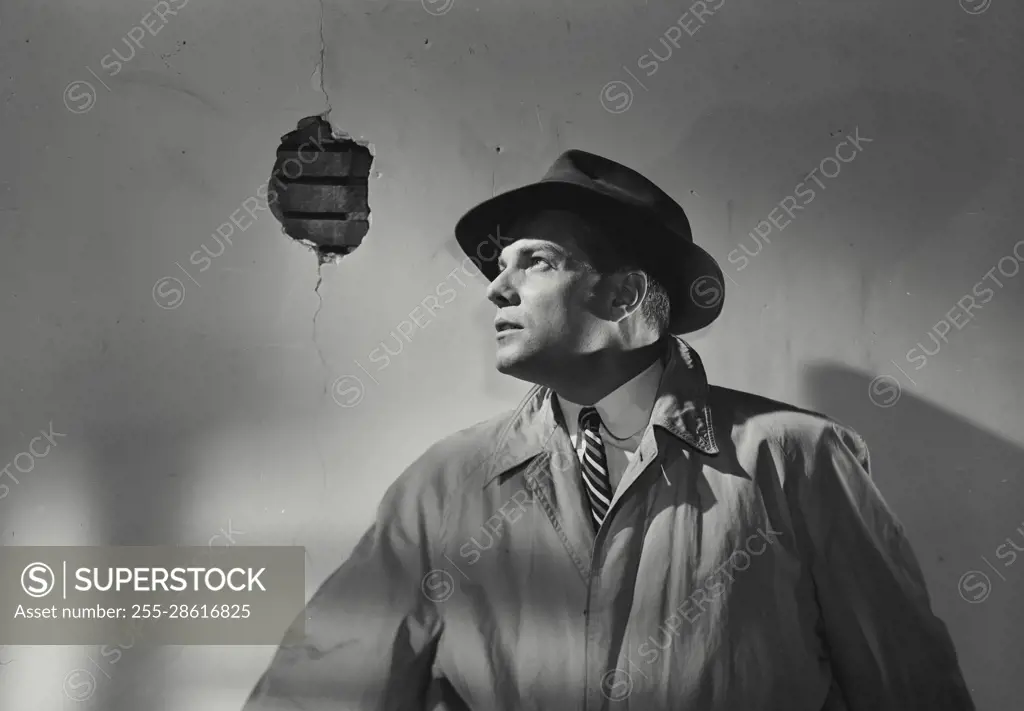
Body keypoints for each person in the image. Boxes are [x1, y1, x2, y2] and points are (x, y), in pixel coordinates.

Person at [241, 150, 975, 710]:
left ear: (624, 292)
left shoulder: (798, 459)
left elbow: (911, 691)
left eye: (536, 262)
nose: (497, 287)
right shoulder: (445, 484)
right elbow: (319, 689)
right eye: (500, 267)